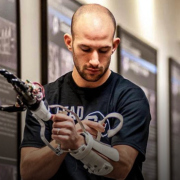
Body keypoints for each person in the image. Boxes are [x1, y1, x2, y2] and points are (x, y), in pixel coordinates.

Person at [20, 3, 151, 180]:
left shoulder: (130, 97)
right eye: (86, 49)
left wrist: (79, 142)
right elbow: (28, 173)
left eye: (103, 50)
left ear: (114, 46)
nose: (95, 60)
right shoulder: (46, 98)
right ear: (69, 42)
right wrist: (63, 142)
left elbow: (122, 168)